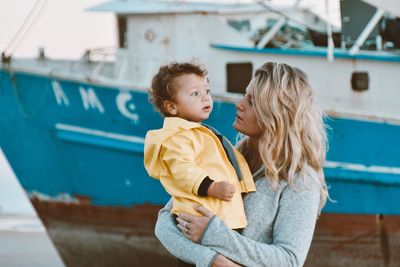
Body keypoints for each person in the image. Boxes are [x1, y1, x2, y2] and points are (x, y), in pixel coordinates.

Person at [155, 62, 329, 267]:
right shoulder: (226, 157)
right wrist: (212, 260)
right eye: (245, 95)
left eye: (252, 101)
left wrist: (215, 235)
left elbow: (289, 260)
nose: (239, 104)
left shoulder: (299, 179)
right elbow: (165, 222)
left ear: (277, 114)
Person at [144, 62, 256, 232]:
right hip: (201, 219)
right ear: (171, 107)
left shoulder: (198, 132)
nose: (205, 98)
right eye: (195, 93)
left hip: (221, 216)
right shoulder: (177, 137)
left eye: (207, 91)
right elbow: (183, 170)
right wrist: (210, 187)